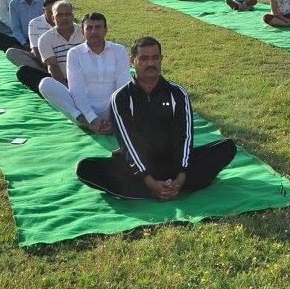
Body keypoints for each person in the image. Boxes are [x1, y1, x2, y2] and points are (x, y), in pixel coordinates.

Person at [76, 36, 237, 200]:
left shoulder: (177, 93)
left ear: (161, 59)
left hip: (173, 163)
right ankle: (155, 189)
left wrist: (181, 175)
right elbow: (129, 143)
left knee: (226, 148)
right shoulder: (121, 98)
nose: (150, 64)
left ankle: (169, 187)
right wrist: (149, 181)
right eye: (144, 58)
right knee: (86, 168)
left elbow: (185, 137)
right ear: (133, 60)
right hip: (137, 167)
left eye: (155, 58)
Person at [41, 11, 130, 134]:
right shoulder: (74, 53)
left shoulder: (118, 50)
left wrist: (114, 118)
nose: (93, 31)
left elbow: (123, 86)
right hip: (83, 110)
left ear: (105, 30)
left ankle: (114, 123)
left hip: (113, 108)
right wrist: (92, 118)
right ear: (82, 32)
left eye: (98, 27)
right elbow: (76, 90)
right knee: (45, 84)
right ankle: (89, 124)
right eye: (89, 28)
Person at [16, 0, 80, 91]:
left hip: (87, 80)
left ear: (73, 16)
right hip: (61, 81)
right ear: (53, 18)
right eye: (59, 15)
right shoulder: (45, 39)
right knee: (25, 73)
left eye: (68, 14)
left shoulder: (84, 33)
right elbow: (53, 67)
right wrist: (67, 90)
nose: (64, 18)